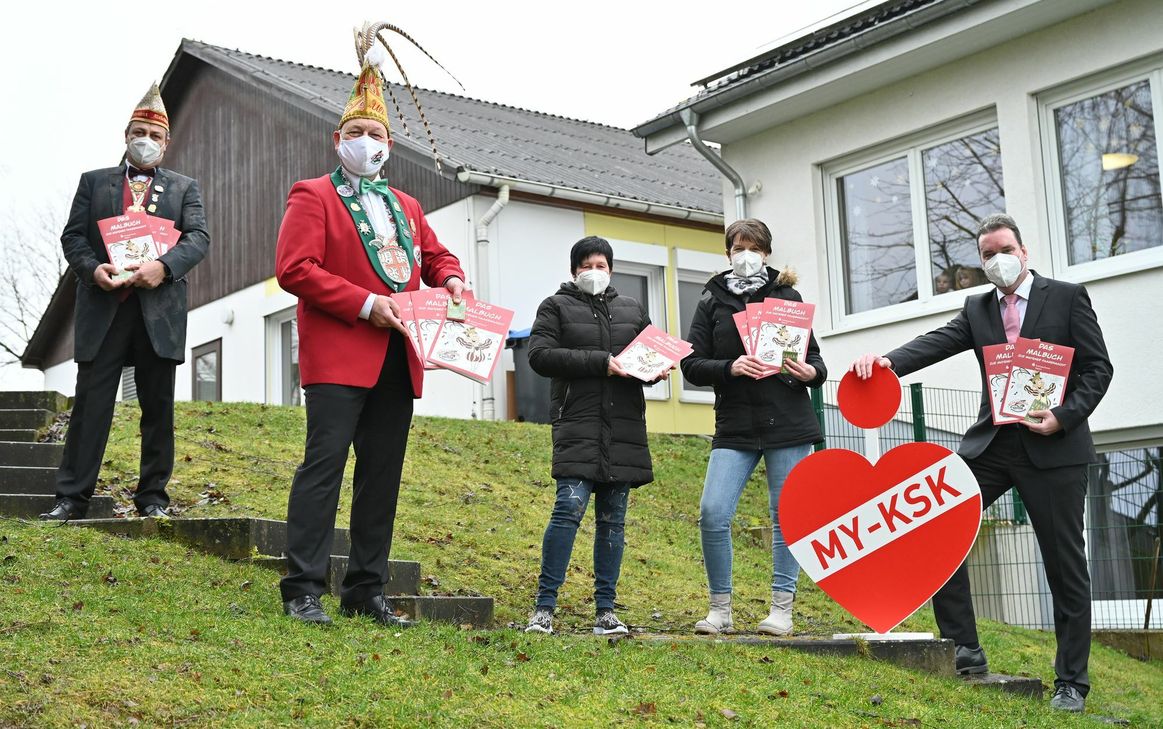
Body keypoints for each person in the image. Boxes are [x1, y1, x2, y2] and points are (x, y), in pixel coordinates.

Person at [851, 213, 1112, 713]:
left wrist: (1063, 417)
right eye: (987, 254)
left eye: (1003, 249)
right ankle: (965, 649)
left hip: (1054, 449)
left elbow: (1099, 369)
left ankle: (1071, 683)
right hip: (993, 445)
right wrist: (886, 362)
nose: (997, 260)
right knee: (938, 526)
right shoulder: (977, 309)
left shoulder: (1067, 296)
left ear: (1024, 250)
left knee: (1065, 566)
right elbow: (936, 342)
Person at [275, 27, 466, 627]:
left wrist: (453, 279)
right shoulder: (312, 195)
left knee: (381, 477)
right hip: (338, 354)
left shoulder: (407, 206)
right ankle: (304, 586)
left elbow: (434, 257)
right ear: (338, 140)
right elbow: (294, 269)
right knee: (324, 468)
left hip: (397, 355)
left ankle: (366, 589)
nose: (366, 142)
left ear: (390, 143)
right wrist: (364, 303)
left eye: (376, 134)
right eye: (355, 133)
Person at [41, 83, 210, 521]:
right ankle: (71, 497)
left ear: (167, 143)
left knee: (158, 409)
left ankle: (153, 497)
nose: (146, 142)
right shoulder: (93, 182)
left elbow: (198, 238)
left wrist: (165, 267)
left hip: (160, 312)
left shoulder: (184, 188)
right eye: (139, 133)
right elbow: (73, 237)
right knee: (91, 406)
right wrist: (92, 270)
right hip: (104, 308)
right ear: (125, 134)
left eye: (155, 136)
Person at [681, 218, 827, 635]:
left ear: (766, 252)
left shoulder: (787, 296)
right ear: (727, 253)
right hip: (735, 425)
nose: (745, 255)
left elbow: (818, 363)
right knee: (713, 512)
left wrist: (807, 373)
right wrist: (730, 366)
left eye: (753, 247)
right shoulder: (711, 299)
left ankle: (782, 609)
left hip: (789, 423)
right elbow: (691, 365)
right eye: (737, 247)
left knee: (788, 516)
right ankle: (720, 609)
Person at [523, 236, 657, 636]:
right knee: (568, 510)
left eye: (600, 265)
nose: (593, 271)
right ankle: (544, 608)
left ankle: (606, 610)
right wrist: (602, 363)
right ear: (573, 270)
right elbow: (539, 355)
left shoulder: (631, 309)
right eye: (586, 265)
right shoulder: (555, 306)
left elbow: (650, 352)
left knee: (613, 522)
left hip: (624, 429)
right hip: (577, 425)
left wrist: (656, 369)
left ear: (611, 270)